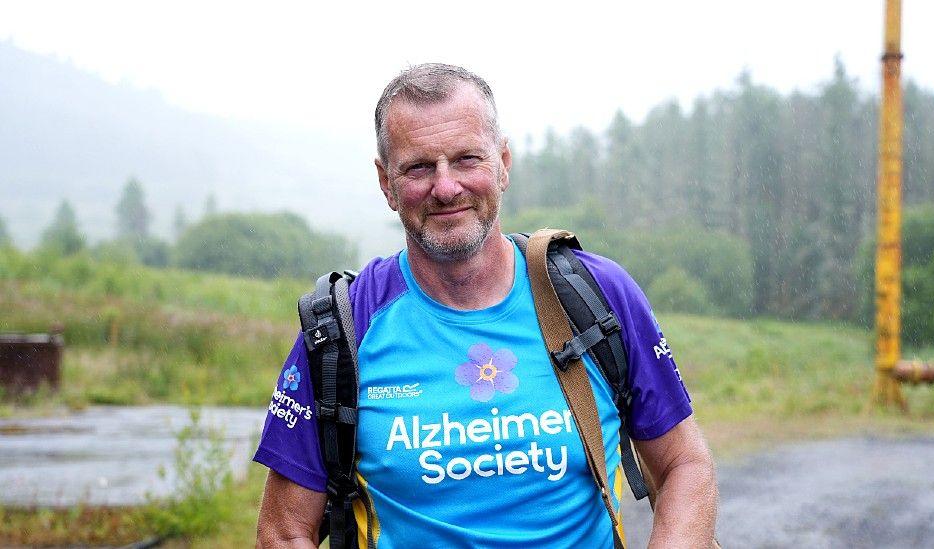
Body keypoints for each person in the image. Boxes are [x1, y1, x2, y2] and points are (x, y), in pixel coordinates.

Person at [254, 63, 718, 548]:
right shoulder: (343, 329)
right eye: (418, 167)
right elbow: (284, 532)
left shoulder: (596, 294)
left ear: (503, 163)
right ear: (385, 182)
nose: (446, 186)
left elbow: (683, 464)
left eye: (466, 159)